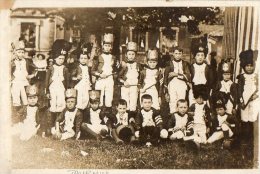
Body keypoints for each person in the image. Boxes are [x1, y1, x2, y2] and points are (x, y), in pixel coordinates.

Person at [45, 44, 70, 136]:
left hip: (61, 88)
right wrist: (47, 91)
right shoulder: (51, 68)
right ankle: (51, 125)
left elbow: (67, 80)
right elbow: (47, 80)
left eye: (63, 59)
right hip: (53, 88)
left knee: (61, 104)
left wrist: (67, 89)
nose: (61, 60)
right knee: (53, 105)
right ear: (55, 58)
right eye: (59, 58)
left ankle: (59, 124)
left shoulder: (65, 69)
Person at [237, 49, 259, 144]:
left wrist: (256, 96)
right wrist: (241, 101)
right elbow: (239, 90)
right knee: (244, 119)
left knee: (252, 119)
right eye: (247, 66)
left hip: (254, 101)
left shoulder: (257, 76)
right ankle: (244, 139)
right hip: (244, 101)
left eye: (251, 66)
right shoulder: (241, 77)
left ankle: (252, 139)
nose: (249, 68)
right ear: (244, 66)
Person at [91, 33, 118, 109]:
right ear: (103, 46)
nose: (107, 47)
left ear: (111, 47)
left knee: (109, 99)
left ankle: (108, 117)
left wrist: (114, 75)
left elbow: (116, 70)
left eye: (109, 46)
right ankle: (98, 115)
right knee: (99, 99)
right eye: (105, 45)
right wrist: (99, 75)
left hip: (109, 80)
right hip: (100, 80)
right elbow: (92, 71)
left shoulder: (113, 58)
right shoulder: (98, 57)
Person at [164, 47, 191, 113]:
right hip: (172, 84)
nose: (178, 55)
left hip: (182, 85)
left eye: (179, 53)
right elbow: (165, 77)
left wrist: (176, 74)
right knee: (173, 101)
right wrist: (166, 91)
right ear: (173, 54)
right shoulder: (169, 63)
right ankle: (173, 118)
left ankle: (181, 116)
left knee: (181, 101)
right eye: (176, 53)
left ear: (182, 54)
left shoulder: (185, 64)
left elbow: (188, 76)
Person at [11, 40, 36, 110]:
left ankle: (25, 111)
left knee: (25, 97)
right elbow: (9, 71)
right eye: (19, 52)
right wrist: (11, 78)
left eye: (22, 52)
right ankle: (16, 112)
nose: (21, 54)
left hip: (24, 81)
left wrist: (32, 75)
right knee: (16, 97)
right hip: (16, 81)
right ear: (15, 53)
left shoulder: (26, 61)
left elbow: (35, 68)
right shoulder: (12, 62)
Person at [118, 42, 141, 113]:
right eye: (129, 54)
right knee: (125, 103)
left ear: (135, 55)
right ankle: (125, 119)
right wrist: (124, 82)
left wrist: (139, 86)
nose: (131, 56)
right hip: (125, 87)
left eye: (133, 54)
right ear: (126, 55)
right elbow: (118, 77)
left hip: (134, 87)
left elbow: (141, 76)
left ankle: (132, 120)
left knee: (133, 104)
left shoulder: (138, 65)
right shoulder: (124, 65)